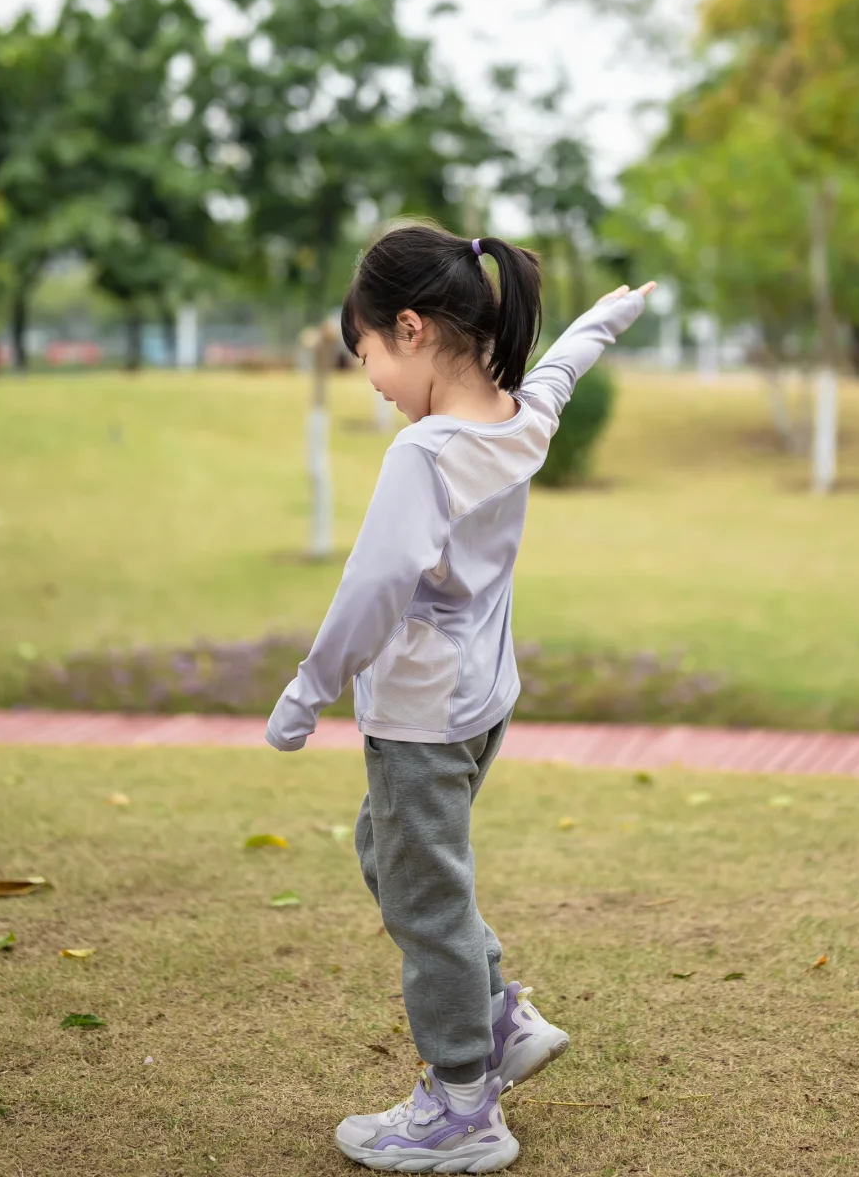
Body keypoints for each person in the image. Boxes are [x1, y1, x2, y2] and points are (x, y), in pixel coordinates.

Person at [266, 221, 654, 1173]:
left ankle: (462, 1104)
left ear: (409, 328)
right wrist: (602, 320)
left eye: (368, 359)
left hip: (421, 716)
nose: (374, 384)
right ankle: (497, 1015)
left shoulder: (424, 455)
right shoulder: (518, 418)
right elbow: (561, 372)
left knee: (425, 896)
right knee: (391, 853)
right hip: (483, 704)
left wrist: (308, 691)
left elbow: (373, 585)